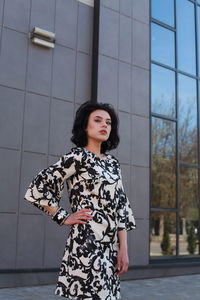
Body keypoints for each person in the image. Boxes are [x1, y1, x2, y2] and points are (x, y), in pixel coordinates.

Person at [24, 101, 136, 300]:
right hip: (87, 242)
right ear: (85, 125)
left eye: (108, 122)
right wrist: (63, 216)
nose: (104, 125)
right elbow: (38, 188)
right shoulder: (77, 156)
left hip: (110, 246)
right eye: (98, 120)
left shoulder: (113, 163)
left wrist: (123, 249)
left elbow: (122, 208)